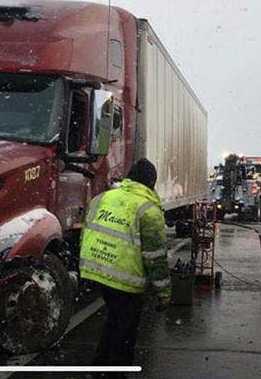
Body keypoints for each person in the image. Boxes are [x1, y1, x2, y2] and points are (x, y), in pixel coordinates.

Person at [79, 158, 170, 376]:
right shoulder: (149, 210)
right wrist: (164, 292)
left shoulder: (103, 198)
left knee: (114, 320)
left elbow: (86, 233)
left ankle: (100, 367)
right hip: (123, 276)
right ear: (151, 183)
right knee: (125, 328)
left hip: (94, 268)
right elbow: (155, 257)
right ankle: (116, 372)